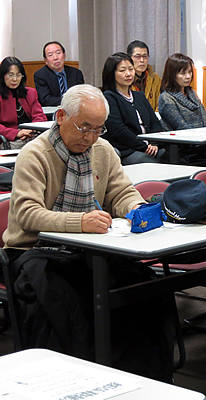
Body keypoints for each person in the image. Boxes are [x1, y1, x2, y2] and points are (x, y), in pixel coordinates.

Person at [3, 84, 174, 382]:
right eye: (84, 127)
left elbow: (121, 192)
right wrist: (80, 221)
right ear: (60, 117)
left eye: (98, 129)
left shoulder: (102, 150)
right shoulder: (35, 154)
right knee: (68, 301)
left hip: (88, 248)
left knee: (144, 286)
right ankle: (78, 379)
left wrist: (135, 208)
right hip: (34, 252)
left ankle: (142, 376)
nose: (90, 137)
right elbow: (28, 216)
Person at [101, 52, 165, 165]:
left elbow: (154, 122)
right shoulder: (109, 97)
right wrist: (144, 146)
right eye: (122, 71)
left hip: (151, 147)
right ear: (111, 74)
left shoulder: (139, 96)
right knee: (152, 163)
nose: (128, 74)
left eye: (131, 69)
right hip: (128, 150)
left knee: (174, 157)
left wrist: (154, 143)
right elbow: (118, 130)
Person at [0, 56, 47, 149]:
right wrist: (17, 133)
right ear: (2, 76)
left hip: (31, 136)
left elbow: (40, 117)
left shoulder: (30, 93)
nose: (15, 79)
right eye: (10, 75)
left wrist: (31, 130)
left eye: (18, 75)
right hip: (9, 139)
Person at [158, 53, 206, 130]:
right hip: (181, 140)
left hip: (201, 138)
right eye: (183, 73)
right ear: (172, 75)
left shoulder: (192, 93)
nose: (188, 76)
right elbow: (181, 127)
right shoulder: (166, 98)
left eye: (190, 72)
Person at [33, 41, 85, 106]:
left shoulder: (76, 73)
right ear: (45, 60)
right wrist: (69, 101)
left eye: (58, 53)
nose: (55, 58)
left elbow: (82, 95)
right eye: (50, 55)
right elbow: (45, 99)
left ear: (64, 55)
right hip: (53, 112)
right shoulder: (40, 75)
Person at [127, 40, 161, 111]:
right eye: (137, 56)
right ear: (129, 58)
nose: (142, 60)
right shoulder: (125, 79)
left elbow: (160, 104)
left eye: (145, 56)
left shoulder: (155, 78)